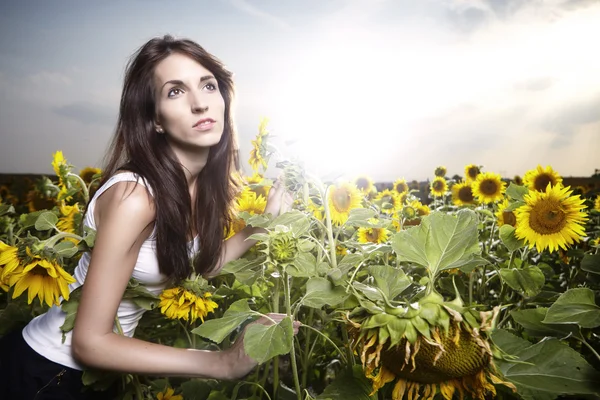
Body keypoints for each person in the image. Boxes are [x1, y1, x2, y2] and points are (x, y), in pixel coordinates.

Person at [0, 35, 295, 399]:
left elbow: (196, 262)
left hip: (102, 375)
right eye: (175, 92)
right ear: (154, 119)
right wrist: (221, 362)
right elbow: (89, 343)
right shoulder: (135, 197)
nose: (200, 103)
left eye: (208, 85)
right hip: (47, 375)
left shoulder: (197, 187)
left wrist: (261, 227)